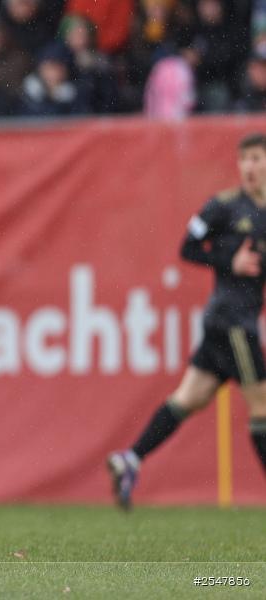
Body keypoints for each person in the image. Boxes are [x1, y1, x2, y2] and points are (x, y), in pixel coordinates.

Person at [108, 133, 266, 510]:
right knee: (262, 409)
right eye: (245, 159)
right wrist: (229, 262)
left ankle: (131, 459)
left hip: (225, 321)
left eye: (258, 159)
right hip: (233, 321)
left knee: (190, 397)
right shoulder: (224, 207)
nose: (250, 167)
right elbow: (187, 247)